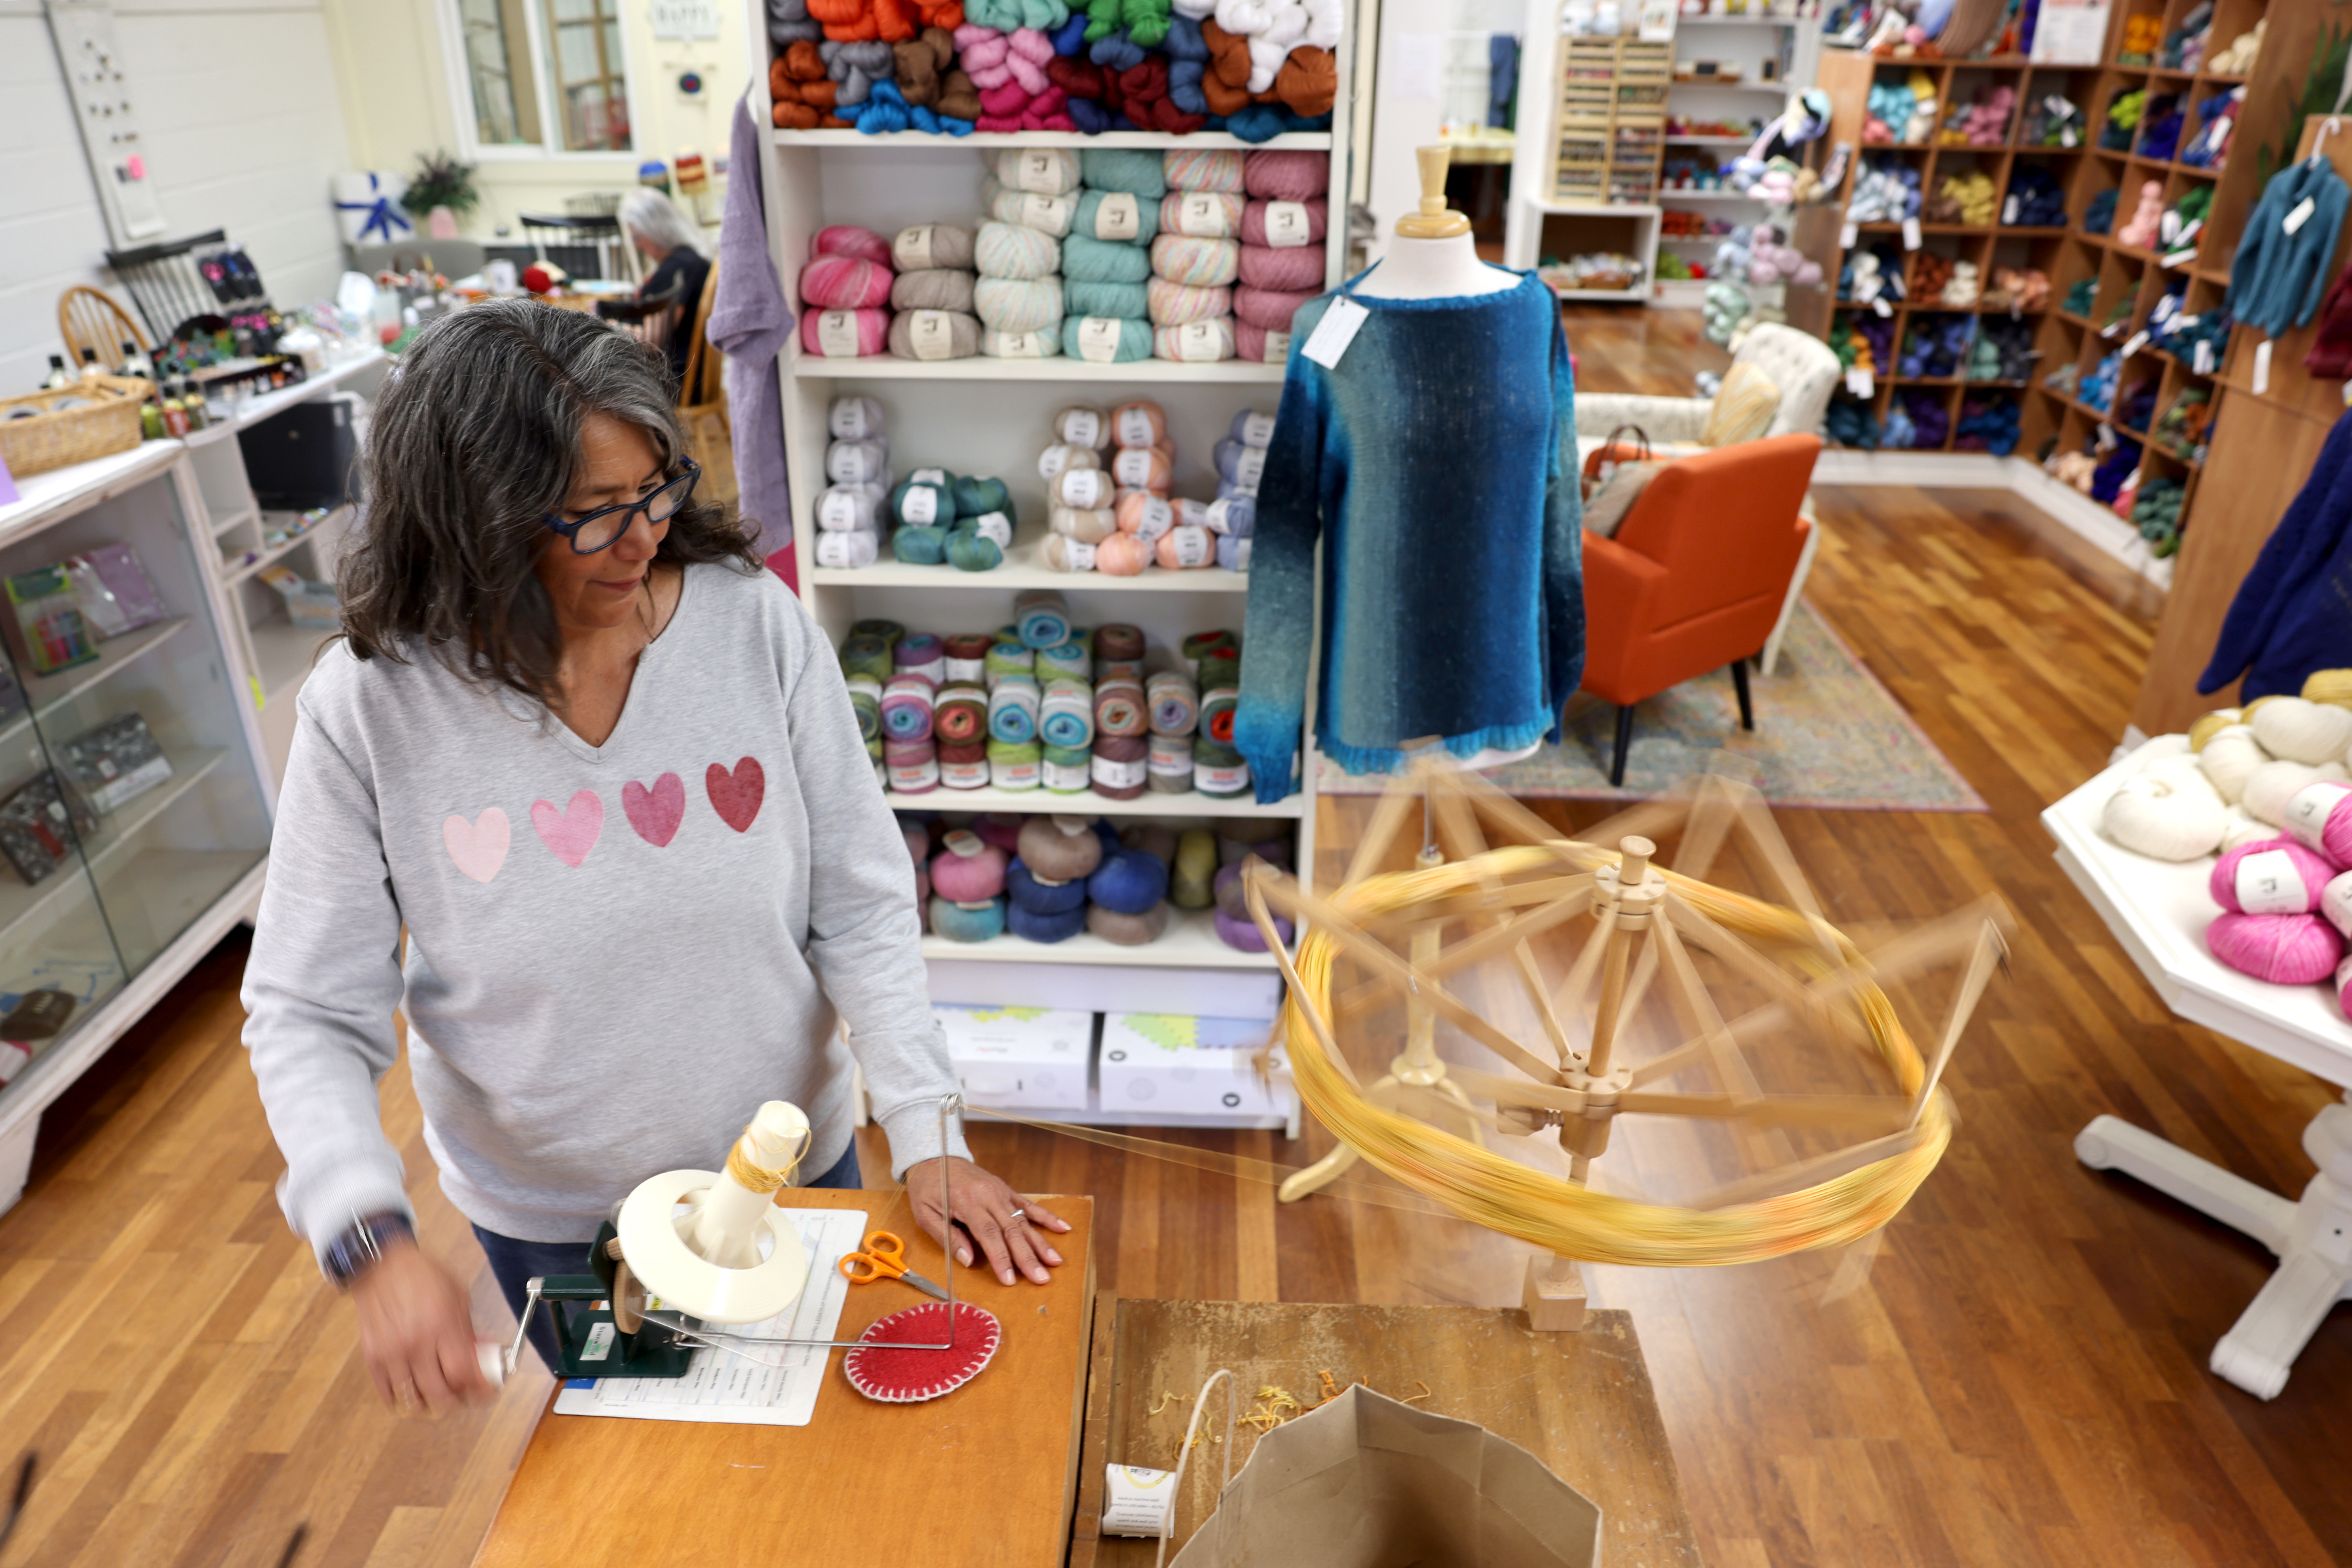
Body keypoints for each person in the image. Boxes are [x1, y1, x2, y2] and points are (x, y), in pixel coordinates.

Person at [242, 301, 1066, 1417]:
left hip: (788, 1179)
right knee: (653, 1478)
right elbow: (305, 1009)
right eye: (592, 516)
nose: (640, 539)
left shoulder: (751, 627)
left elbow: (862, 906)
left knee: (820, 1457)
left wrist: (926, 1130)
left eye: (654, 493)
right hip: (557, 1224)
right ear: (473, 524)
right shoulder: (372, 707)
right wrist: (367, 1238)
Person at [613, 187, 712, 385]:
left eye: (637, 237)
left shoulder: (676, 269)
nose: (638, 245)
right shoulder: (691, 260)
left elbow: (653, 340)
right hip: (692, 374)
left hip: (674, 380)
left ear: (655, 231)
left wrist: (611, 328)